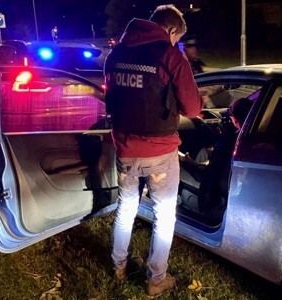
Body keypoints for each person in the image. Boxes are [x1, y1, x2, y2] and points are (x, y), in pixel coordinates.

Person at [103, 4, 204, 297]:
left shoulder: (117, 54)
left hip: (124, 148)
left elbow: (113, 97)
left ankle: (118, 267)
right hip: (160, 153)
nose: (174, 43)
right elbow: (193, 108)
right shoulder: (170, 55)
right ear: (171, 31)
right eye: (176, 37)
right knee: (163, 215)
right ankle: (156, 278)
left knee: (126, 208)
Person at [179, 97, 253, 211]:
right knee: (204, 152)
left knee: (176, 165)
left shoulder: (230, 142)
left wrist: (186, 162)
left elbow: (209, 175)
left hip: (217, 192)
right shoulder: (253, 136)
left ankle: (175, 201)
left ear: (234, 120)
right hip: (233, 183)